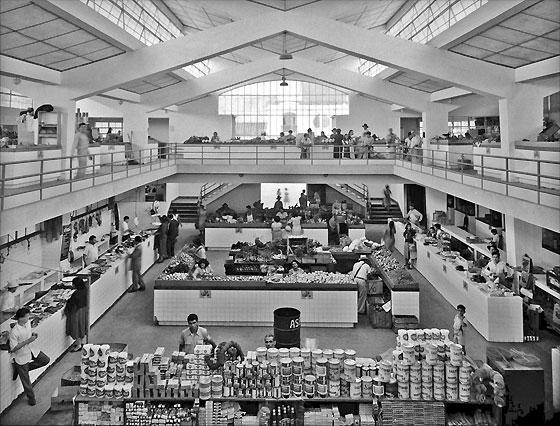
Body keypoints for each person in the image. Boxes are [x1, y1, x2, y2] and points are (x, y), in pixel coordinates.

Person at [9, 307, 50, 406]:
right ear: (20, 318)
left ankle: (20, 370)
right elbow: (13, 348)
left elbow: (28, 333)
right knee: (26, 380)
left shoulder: (27, 323)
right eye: (27, 316)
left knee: (45, 360)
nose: (28, 318)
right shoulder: (14, 332)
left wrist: (33, 335)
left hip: (30, 350)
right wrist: (28, 341)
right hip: (21, 355)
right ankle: (31, 397)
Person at [64, 277, 88, 352]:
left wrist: (67, 306)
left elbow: (71, 304)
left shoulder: (76, 293)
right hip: (82, 310)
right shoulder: (85, 290)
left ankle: (78, 345)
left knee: (76, 328)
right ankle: (81, 342)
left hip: (76, 312)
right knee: (81, 327)